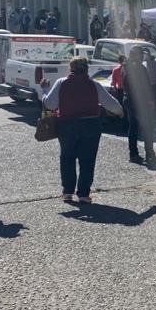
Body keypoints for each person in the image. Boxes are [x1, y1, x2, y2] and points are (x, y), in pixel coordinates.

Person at [41, 57, 123, 204]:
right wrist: (120, 112)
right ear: (87, 69)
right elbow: (111, 103)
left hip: (67, 125)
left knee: (67, 158)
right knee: (87, 160)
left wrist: (45, 90)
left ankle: (67, 192)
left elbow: (50, 105)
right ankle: (84, 194)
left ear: (70, 69)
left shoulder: (61, 82)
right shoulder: (94, 84)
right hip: (90, 124)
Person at [123, 47, 156, 165]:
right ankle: (148, 154)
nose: (142, 57)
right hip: (138, 102)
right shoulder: (137, 68)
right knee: (147, 128)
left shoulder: (126, 66)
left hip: (131, 100)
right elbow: (144, 86)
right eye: (141, 54)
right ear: (135, 55)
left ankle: (135, 154)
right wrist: (149, 100)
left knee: (134, 128)